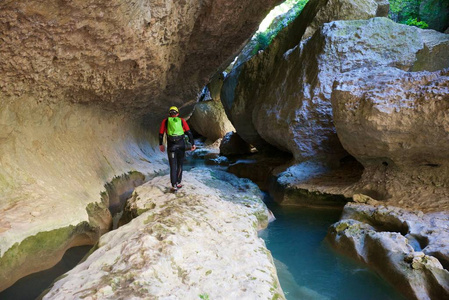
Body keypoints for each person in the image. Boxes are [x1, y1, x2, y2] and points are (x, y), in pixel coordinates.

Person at [159, 106, 196, 191]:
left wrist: (161, 144)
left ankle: (173, 185)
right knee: (180, 165)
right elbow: (189, 133)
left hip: (171, 146)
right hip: (181, 146)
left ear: (169, 114)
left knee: (173, 166)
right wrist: (192, 144)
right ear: (178, 114)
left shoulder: (165, 121)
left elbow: (161, 134)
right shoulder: (182, 121)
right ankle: (178, 183)